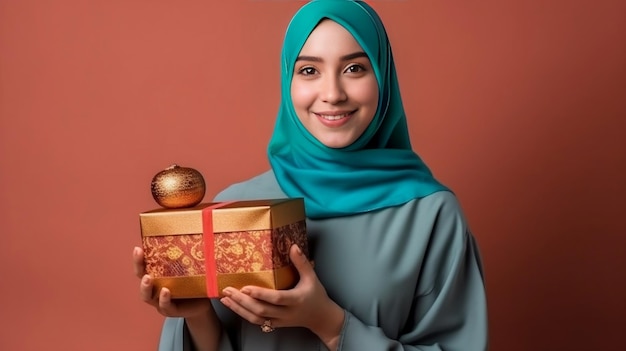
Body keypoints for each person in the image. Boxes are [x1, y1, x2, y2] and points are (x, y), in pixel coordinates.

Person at [133, 1, 489, 350]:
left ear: (382, 77)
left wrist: (330, 324)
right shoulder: (234, 211)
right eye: (309, 71)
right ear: (288, 81)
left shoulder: (430, 216)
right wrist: (197, 317)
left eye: (354, 69)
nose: (332, 94)